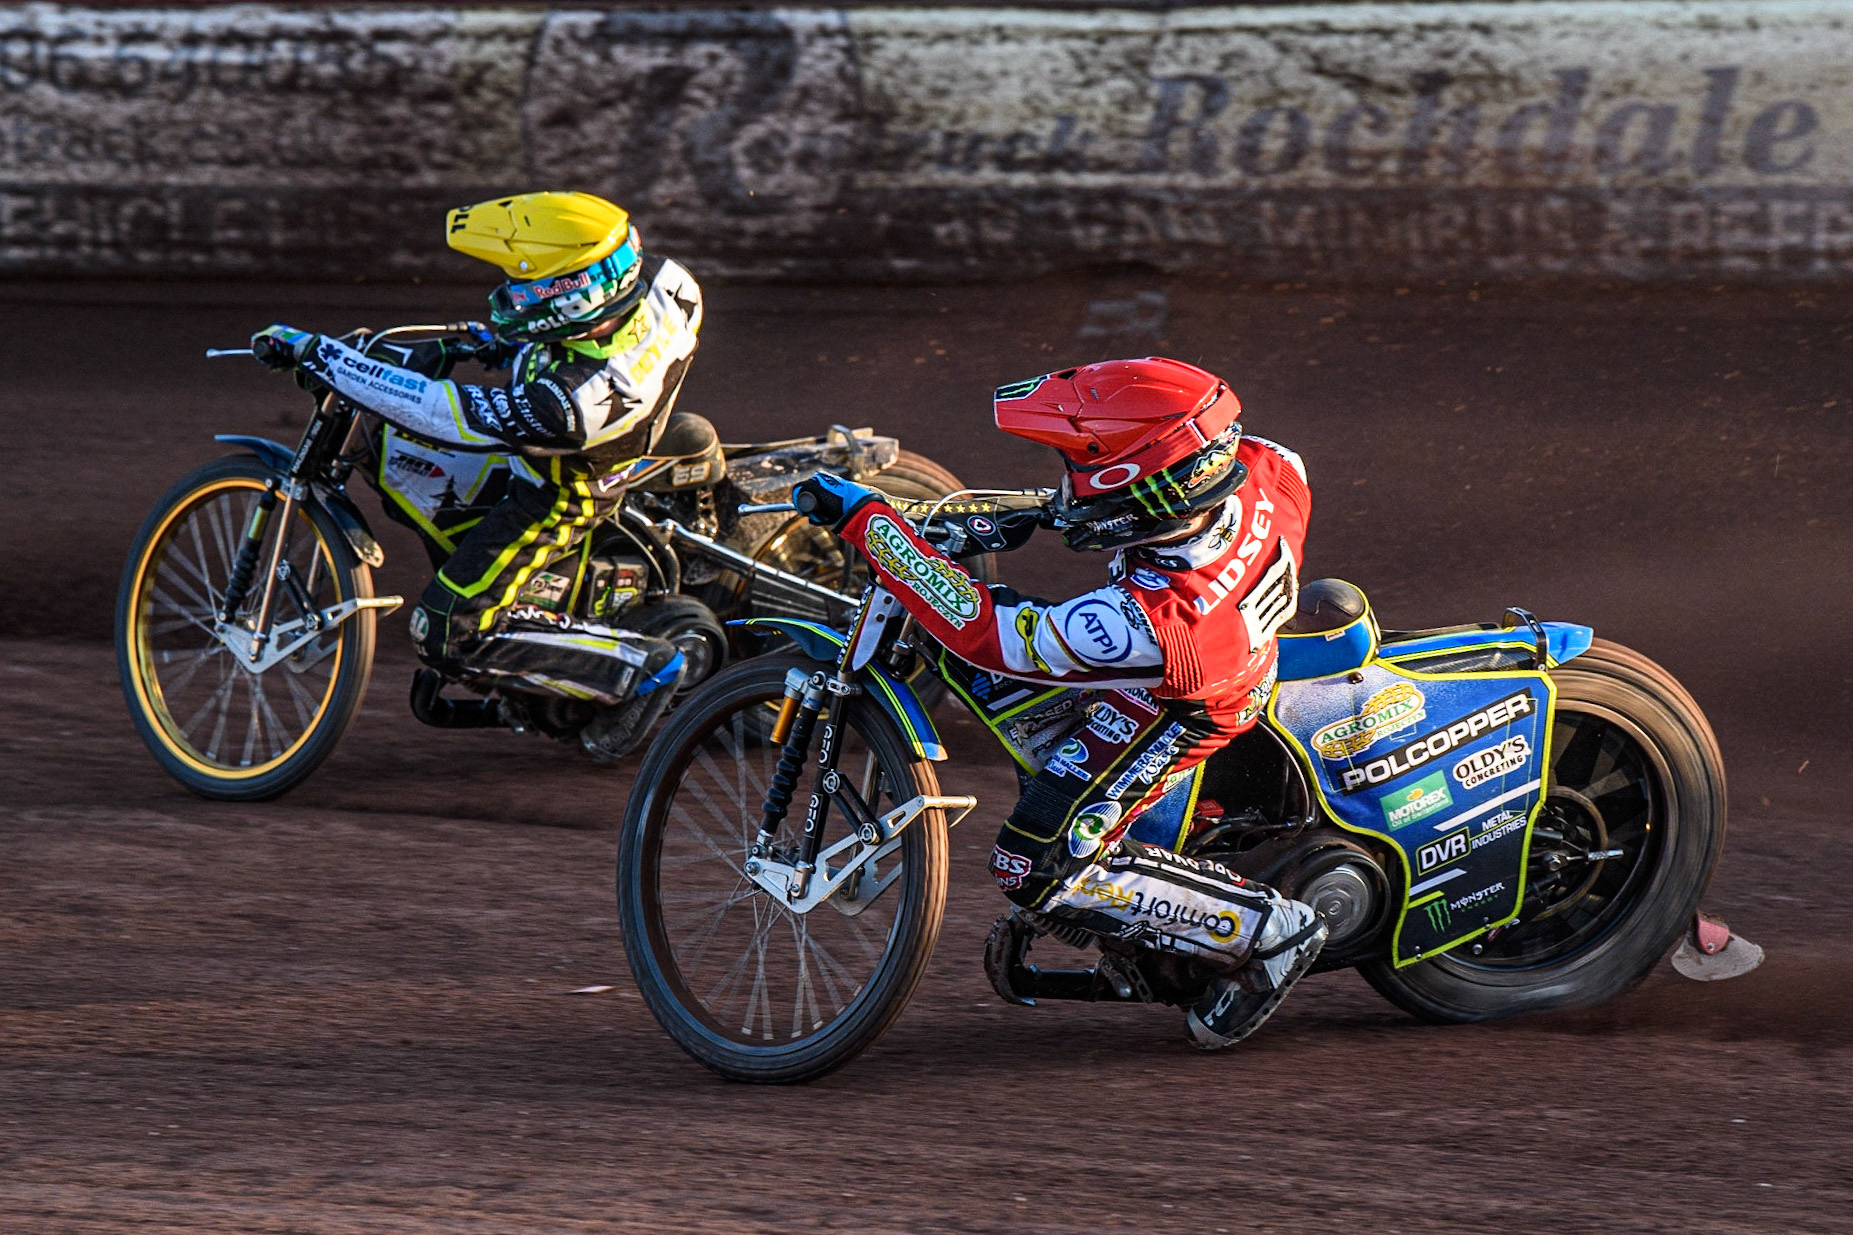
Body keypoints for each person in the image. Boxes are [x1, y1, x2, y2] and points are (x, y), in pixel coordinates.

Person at [793, 357, 1327, 1048]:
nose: (1066, 483)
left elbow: (989, 636)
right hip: (1213, 640)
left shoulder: (1147, 621)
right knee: (1017, 697)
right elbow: (1217, 471)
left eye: (1079, 467)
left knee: (1031, 866)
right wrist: (1039, 510)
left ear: (1139, 485)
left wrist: (872, 526)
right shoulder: (1262, 469)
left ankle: (1273, 931)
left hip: (1173, 702)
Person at [248, 191, 702, 752]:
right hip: (606, 435)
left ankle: (640, 668)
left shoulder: (573, 402)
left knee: (445, 630)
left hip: (563, 494)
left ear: (574, 295)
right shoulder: (664, 279)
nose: (510, 291)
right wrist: (498, 339)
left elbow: (444, 413)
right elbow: (576, 333)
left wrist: (327, 358)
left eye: (526, 283)